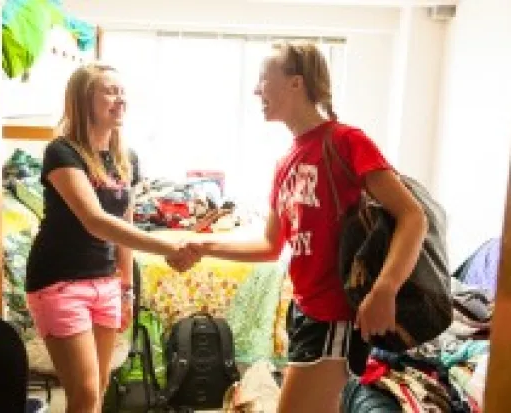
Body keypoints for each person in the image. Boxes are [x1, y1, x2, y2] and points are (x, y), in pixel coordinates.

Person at [172, 41, 428, 412]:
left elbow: (412, 215)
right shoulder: (285, 163)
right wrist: (203, 247)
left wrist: (385, 288)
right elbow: (270, 246)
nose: (256, 89)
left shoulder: (345, 142)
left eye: (264, 79)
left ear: (296, 83)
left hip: (334, 315)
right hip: (305, 311)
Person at [25, 62, 190, 413]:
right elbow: (95, 221)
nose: (121, 99)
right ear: (84, 100)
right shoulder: (62, 152)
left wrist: (126, 288)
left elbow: (124, 225)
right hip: (60, 282)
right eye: (110, 91)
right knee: (84, 394)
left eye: (123, 92)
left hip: (106, 284)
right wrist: (168, 247)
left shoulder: (125, 158)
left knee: (98, 389)